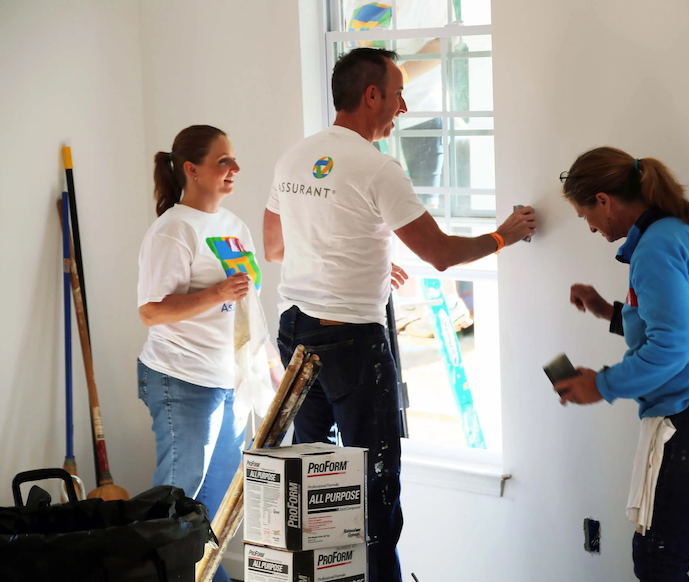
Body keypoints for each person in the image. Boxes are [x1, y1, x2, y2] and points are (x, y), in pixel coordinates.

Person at [263, 48, 536, 582]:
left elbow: (277, 246)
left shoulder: (294, 157)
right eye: (398, 94)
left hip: (295, 332)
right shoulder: (376, 167)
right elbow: (440, 254)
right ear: (372, 97)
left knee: (314, 484)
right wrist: (506, 233)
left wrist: (363, 260)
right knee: (376, 490)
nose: (403, 106)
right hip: (349, 343)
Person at [555, 146, 689, 581]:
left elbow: (673, 347)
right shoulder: (684, 234)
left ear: (603, 199)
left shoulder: (655, 248)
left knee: (659, 560)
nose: (591, 227)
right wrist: (605, 310)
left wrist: (601, 384)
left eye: (586, 216)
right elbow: (681, 322)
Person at [137, 125, 281, 582]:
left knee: (217, 502)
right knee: (176, 503)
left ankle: (208, 577)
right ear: (191, 170)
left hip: (229, 379)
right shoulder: (172, 230)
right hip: (182, 379)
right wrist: (217, 290)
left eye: (233, 159)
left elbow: (247, 307)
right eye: (223, 161)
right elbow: (152, 312)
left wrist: (269, 362)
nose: (235, 168)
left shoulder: (234, 227)